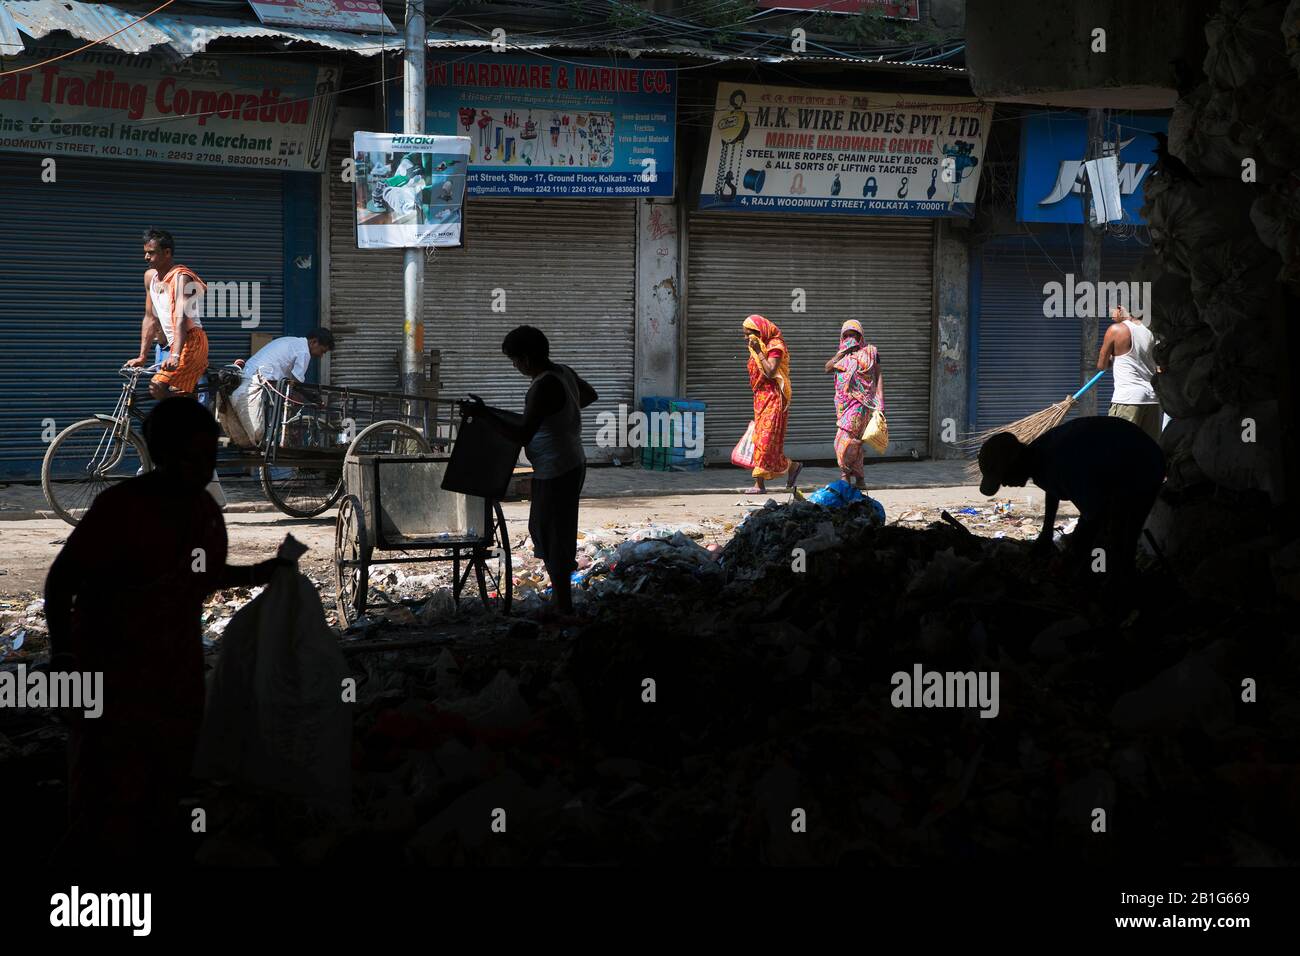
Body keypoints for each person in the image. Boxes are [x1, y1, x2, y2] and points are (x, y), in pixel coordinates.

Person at [44, 398, 291, 863]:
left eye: (209, 459)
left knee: (163, 796)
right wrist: (63, 659)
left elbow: (196, 575)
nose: (201, 470)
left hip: (174, 679)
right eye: (190, 458)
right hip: (110, 679)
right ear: (161, 454)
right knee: (102, 804)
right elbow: (62, 580)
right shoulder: (121, 508)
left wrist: (261, 572)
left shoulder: (204, 514)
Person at [465, 326, 597, 621]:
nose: (515, 367)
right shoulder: (563, 372)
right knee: (549, 531)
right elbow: (588, 395)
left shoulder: (542, 386)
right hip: (570, 461)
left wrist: (484, 414)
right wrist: (562, 417)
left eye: (514, 361)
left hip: (556, 469)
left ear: (525, 358)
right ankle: (561, 602)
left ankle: (563, 607)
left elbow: (522, 434)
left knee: (552, 535)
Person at [976, 416, 1165, 578]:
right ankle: (1109, 577)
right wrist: (1046, 531)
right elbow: (1052, 489)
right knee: (1106, 539)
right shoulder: (1037, 456)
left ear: (1015, 462)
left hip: (1142, 464)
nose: (1005, 484)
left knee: (1121, 539)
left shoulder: (1060, 463)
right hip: (1119, 462)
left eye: (1004, 477)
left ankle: (1120, 591)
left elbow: (1094, 516)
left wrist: (1071, 555)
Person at [126, 228, 210, 402]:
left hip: (192, 342)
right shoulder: (150, 278)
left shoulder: (181, 278)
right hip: (172, 345)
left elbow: (180, 318)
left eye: (151, 253)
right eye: (145, 253)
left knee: (157, 386)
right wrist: (142, 356)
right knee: (170, 390)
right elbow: (150, 318)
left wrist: (176, 355)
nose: (146, 257)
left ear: (167, 253)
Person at [220, 329, 335, 448]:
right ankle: (275, 443)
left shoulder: (291, 341)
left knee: (270, 420)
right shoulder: (304, 352)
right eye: (322, 351)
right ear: (314, 342)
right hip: (260, 383)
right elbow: (295, 382)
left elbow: (292, 383)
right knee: (268, 428)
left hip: (250, 378)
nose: (321, 356)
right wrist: (309, 399)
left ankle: (272, 441)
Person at [742, 314, 802, 495]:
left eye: (748, 334)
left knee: (765, 440)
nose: (745, 338)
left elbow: (770, 371)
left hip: (775, 398)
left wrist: (759, 352)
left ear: (759, 332)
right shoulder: (757, 347)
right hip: (761, 399)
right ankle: (792, 467)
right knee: (761, 440)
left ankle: (759, 485)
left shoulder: (775, 346)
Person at [824, 319, 884, 491]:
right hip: (844, 405)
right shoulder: (841, 355)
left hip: (862, 404)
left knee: (843, 440)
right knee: (855, 442)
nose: (850, 338)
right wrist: (843, 352)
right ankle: (859, 479)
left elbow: (878, 376)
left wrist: (881, 401)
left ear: (860, 336)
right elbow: (827, 368)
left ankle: (845, 476)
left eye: (853, 335)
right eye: (847, 335)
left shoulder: (871, 352)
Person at [1098, 305, 1162, 442]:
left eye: (1111, 311)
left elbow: (1101, 366)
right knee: (1148, 450)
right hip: (1151, 399)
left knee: (1119, 449)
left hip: (1127, 400)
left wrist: (1111, 357)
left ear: (1120, 308)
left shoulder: (1116, 330)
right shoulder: (1150, 331)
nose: (1111, 316)